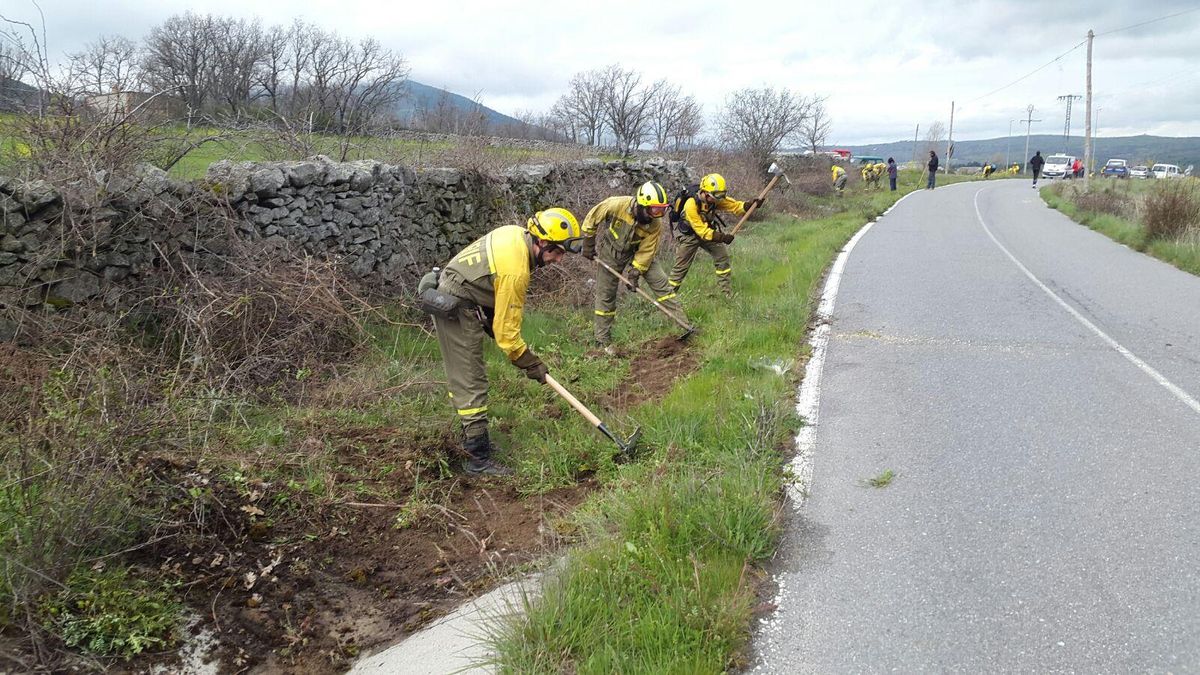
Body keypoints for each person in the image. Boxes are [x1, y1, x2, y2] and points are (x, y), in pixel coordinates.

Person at [421, 207, 584, 476]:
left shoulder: (514, 234)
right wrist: (531, 364)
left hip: (464, 295)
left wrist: (491, 317)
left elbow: (486, 279)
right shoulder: (516, 271)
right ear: (541, 242)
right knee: (470, 380)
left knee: (470, 378)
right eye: (556, 252)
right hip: (455, 306)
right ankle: (477, 460)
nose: (559, 260)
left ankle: (474, 443)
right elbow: (508, 337)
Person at [582, 181, 687, 350]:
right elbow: (592, 217)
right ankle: (602, 340)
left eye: (661, 210)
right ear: (642, 204)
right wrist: (588, 243)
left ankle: (684, 326)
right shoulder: (616, 204)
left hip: (638, 251)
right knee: (605, 295)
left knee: (662, 284)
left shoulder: (655, 224)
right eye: (655, 209)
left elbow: (647, 250)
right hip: (611, 251)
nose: (657, 214)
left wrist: (636, 271)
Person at [667, 173, 759, 298]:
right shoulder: (691, 204)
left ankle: (726, 294)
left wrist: (749, 205)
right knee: (681, 268)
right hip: (689, 235)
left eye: (720, 196)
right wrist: (722, 237)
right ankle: (668, 298)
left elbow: (734, 206)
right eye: (714, 197)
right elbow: (701, 231)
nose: (718, 200)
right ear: (704, 193)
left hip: (707, 231)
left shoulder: (714, 198)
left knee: (722, 257)